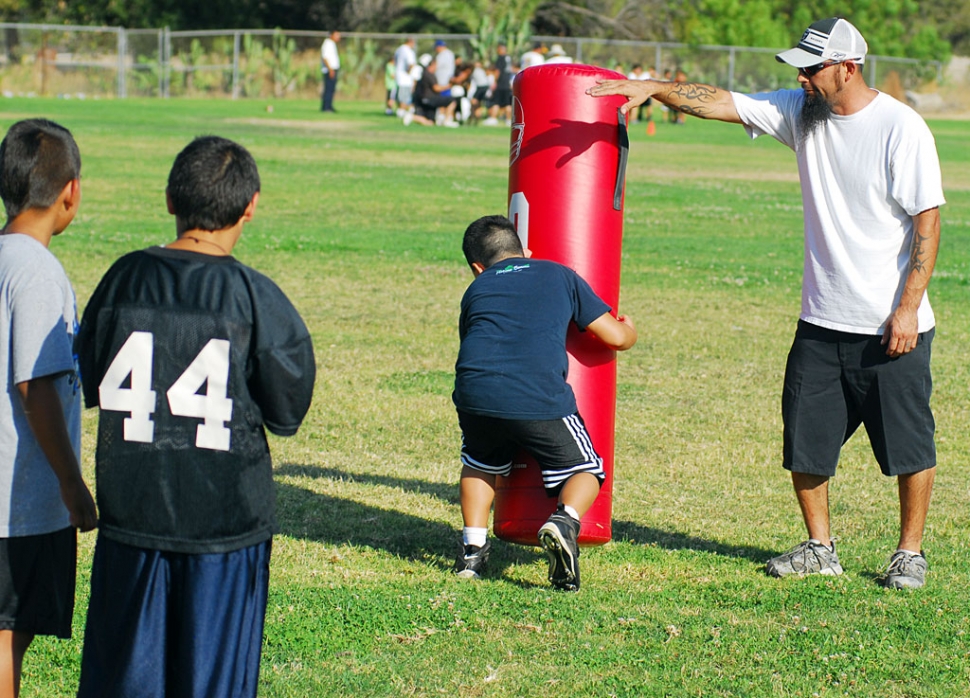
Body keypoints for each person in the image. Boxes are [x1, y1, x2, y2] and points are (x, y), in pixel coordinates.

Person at [588, 17, 944, 590]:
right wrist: (654, 86)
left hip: (890, 325)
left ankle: (909, 552)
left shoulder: (901, 128)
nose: (801, 78)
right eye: (798, 68)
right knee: (806, 440)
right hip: (821, 320)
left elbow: (927, 220)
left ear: (848, 67)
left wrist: (908, 307)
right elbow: (720, 103)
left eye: (812, 68)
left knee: (909, 445)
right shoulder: (800, 113)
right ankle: (819, 547)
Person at [75, 136, 316, 697]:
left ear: (169, 199)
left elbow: (90, 376)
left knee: (124, 681)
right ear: (250, 205)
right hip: (225, 526)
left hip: (131, 514)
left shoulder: (122, 277)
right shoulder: (255, 296)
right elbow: (287, 410)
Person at [452, 215, 637, 591]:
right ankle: (565, 521)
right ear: (525, 250)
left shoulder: (476, 289)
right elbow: (615, 337)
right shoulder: (558, 273)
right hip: (536, 393)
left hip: (475, 390)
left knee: (479, 463)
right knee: (586, 467)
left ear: (477, 267)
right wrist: (630, 330)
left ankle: (473, 550)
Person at [0, 118, 97, 698]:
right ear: (71, 192)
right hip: (19, 505)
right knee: (7, 638)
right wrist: (71, 485)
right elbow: (34, 386)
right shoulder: (36, 271)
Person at [393, 37, 417, 115]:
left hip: (398, 75)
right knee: (405, 95)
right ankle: (402, 111)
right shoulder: (408, 51)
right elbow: (411, 64)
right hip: (405, 77)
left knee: (400, 94)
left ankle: (402, 110)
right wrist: (409, 72)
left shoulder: (399, 49)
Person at [320, 30, 341, 112]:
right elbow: (325, 57)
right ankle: (326, 107)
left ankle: (329, 106)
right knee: (328, 89)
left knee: (331, 89)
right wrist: (330, 69)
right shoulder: (327, 44)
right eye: (336, 35)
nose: (338, 37)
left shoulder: (332, 44)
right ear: (331, 35)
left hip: (333, 69)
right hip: (330, 69)